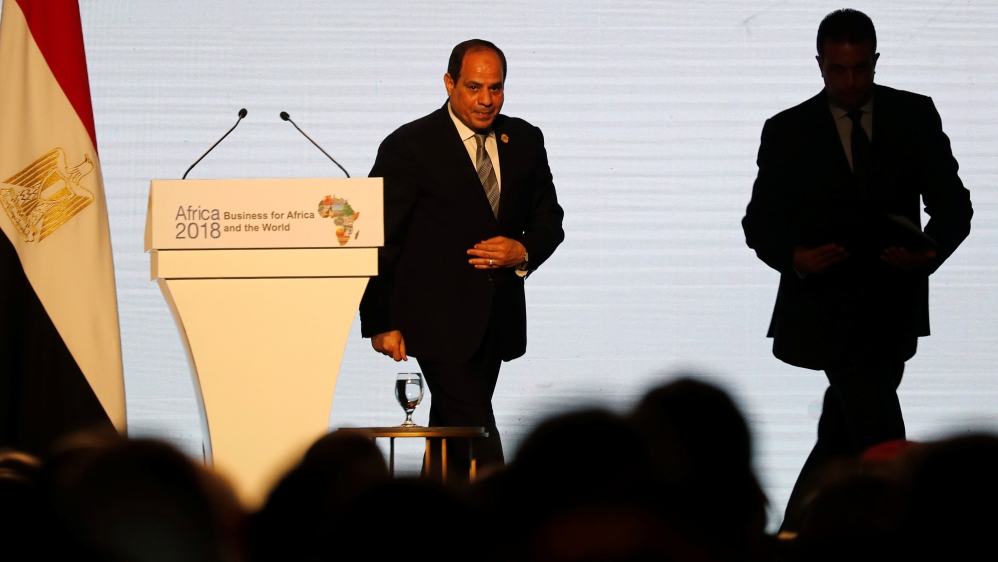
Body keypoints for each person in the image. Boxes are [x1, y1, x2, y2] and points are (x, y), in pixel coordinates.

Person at [742, 9, 972, 531]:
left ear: (874, 61)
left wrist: (927, 252)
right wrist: (795, 257)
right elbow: (760, 223)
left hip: (891, 307)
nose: (849, 81)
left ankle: (792, 535)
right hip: (826, 310)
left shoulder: (913, 116)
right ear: (820, 65)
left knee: (839, 436)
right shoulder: (788, 130)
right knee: (878, 436)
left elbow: (955, 206)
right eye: (838, 70)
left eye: (860, 69)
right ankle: (913, 526)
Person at [359, 39, 565, 474]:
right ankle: (503, 519)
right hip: (433, 321)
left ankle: (442, 524)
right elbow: (379, 238)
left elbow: (550, 219)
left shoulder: (525, 139)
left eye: (496, 88)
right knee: (474, 426)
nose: (486, 100)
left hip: (498, 318)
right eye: (474, 87)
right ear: (450, 83)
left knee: (453, 430)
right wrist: (380, 320)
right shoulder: (409, 145)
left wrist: (523, 249)